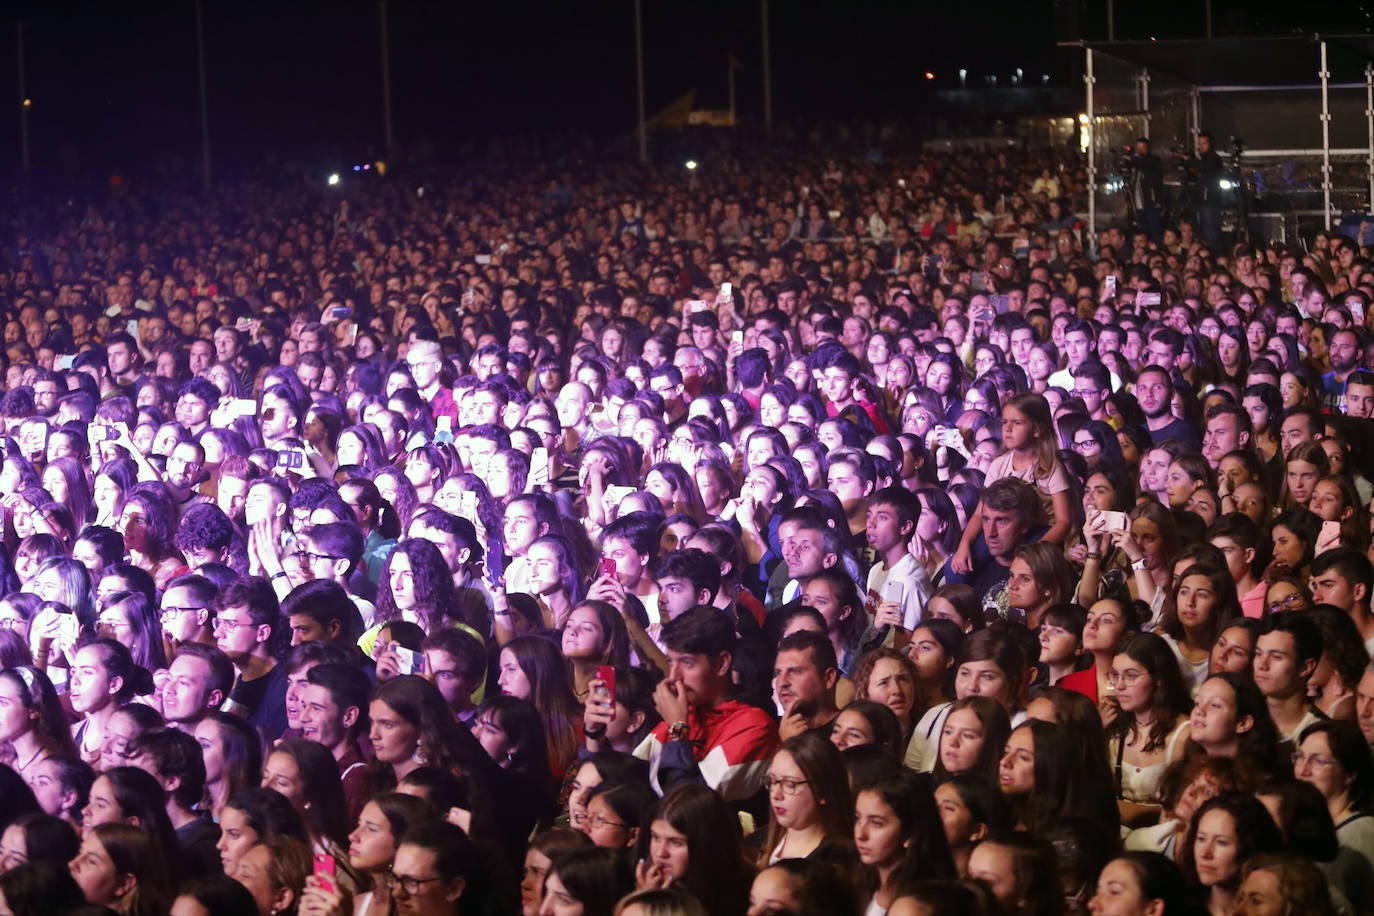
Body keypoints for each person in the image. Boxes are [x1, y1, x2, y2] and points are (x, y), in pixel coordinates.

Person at [633, 607, 777, 802]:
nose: (674, 676)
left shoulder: (756, 727)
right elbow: (630, 781)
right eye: (670, 662)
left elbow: (687, 804)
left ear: (722, 664)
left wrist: (678, 729)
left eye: (687, 663)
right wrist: (596, 736)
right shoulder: (687, 712)